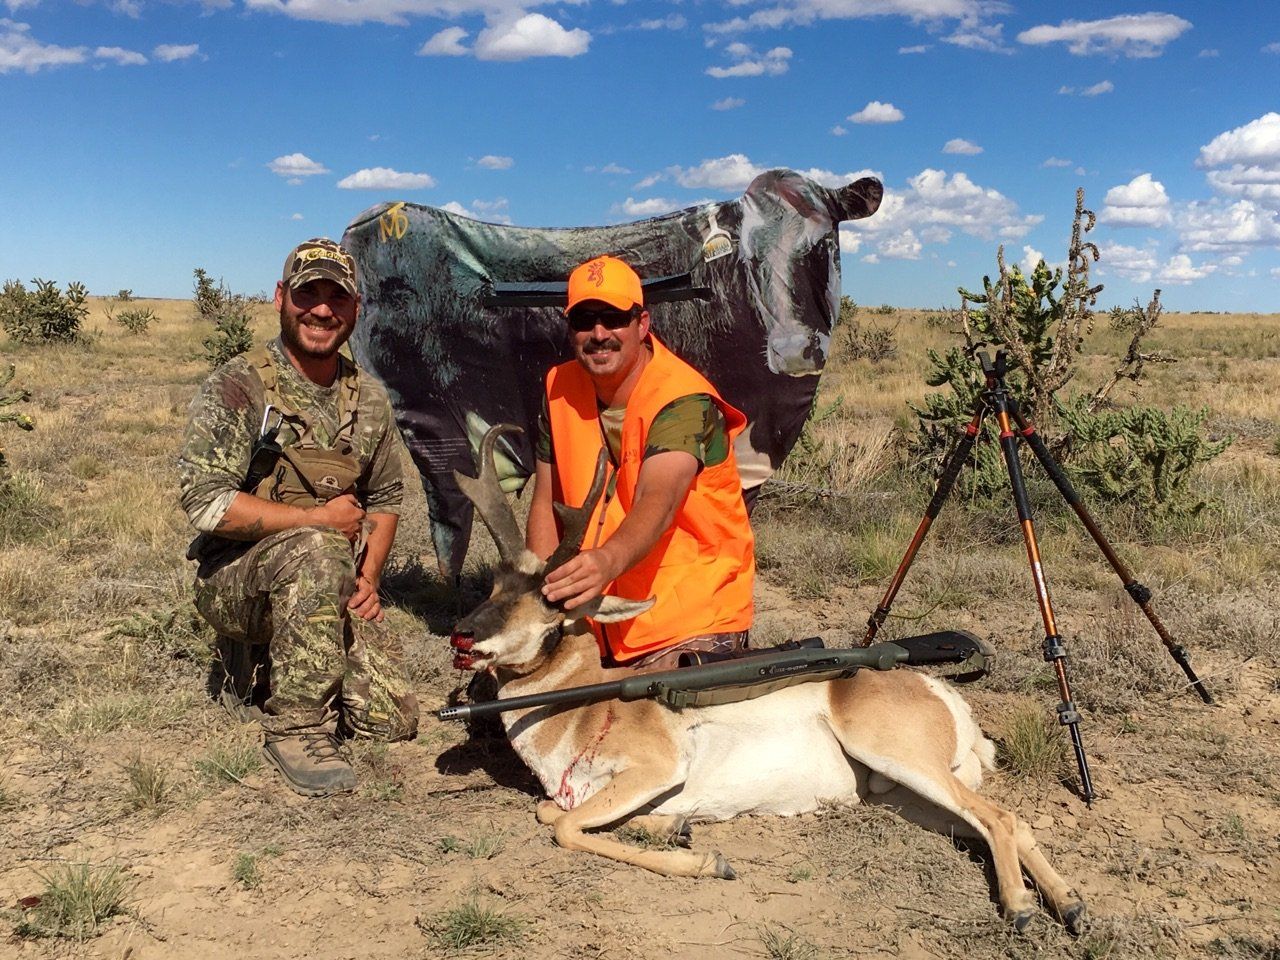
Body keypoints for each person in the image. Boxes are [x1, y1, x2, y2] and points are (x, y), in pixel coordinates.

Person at [178, 238, 418, 797]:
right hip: (234, 583)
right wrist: (317, 521)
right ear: (281, 297)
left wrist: (368, 580)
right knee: (318, 545)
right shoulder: (237, 385)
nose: (322, 310)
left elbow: (385, 497)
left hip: (329, 577)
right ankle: (296, 728)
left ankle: (281, 662)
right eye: (308, 294)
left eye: (338, 297)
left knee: (392, 721)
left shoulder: (370, 399)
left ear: (355, 308)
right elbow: (206, 502)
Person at [527, 254, 755, 669]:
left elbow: (659, 500)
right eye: (584, 320)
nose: (599, 334)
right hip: (595, 621)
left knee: (651, 710)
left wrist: (607, 561)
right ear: (570, 328)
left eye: (614, 319)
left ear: (642, 324)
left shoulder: (683, 398)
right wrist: (539, 598)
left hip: (689, 622)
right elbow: (545, 500)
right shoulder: (558, 387)